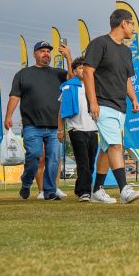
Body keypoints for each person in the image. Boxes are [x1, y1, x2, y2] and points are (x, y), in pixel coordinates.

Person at [80, 9, 139, 204]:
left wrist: (133, 98)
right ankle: (124, 189)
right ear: (123, 23)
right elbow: (88, 73)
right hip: (103, 103)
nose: (133, 28)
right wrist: (93, 102)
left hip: (120, 105)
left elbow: (126, 79)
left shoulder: (125, 51)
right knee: (116, 145)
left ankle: (97, 190)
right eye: (131, 24)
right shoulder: (99, 44)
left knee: (106, 147)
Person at [5, 41, 68, 201]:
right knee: (34, 156)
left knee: (53, 159)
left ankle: (49, 191)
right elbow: (14, 96)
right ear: (35, 54)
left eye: (48, 51)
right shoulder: (23, 74)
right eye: (42, 51)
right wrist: (8, 116)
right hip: (32, 125)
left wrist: (68, 56)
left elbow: (74, 80)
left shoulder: (59, 73)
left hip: (55, 126)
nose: (46, 53)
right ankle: (26, 183)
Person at [61, 57, 103, 202]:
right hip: (76, 130)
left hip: (93, 129)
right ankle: (85, 192)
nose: (83, 70)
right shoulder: (69, 87)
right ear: (74, 71)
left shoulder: (95, 86)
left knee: (90, 162)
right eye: (79, 68)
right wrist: (61, 130)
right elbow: (61, 110)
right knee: (83, 162)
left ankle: (80, 188)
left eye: (85, 68)